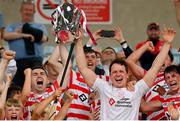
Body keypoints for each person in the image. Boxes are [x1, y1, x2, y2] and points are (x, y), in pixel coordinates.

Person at [75, 27, 176, 120]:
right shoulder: (103, 87)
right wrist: (79, 41)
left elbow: (156, 67)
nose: (118, 74)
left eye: (121, 71)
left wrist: (167, 44)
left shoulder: (137, 89)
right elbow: (82, 68)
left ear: (127, 75)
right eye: (114, 72)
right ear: (110, 76)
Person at [3, 0, 48, 87]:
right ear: (21, 11)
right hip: (16, 62)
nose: (28, 12)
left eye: (30, 10)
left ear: (34, 12)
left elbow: (44, 38)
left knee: (36, 87)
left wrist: (26, 29)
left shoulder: (39, 26)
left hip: (35, 61)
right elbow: (5, 35)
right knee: (15, 88)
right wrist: (25, 35)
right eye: (26, 9)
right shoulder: (13, 26)